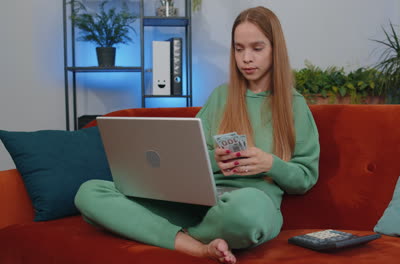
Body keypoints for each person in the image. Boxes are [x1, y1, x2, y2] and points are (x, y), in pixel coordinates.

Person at [74, 6, 319, 264]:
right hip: (196, 201)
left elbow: (305, 177)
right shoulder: (221, 96)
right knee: (90, 192)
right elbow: (186, 156)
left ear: (274, 49)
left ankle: (169, 234)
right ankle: (195, 246)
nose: (246, 58)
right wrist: (216, 159)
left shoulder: (294, 104)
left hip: (246, 206)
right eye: (239, 49)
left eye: (257, 48)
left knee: (248, 212)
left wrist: (271, 163)